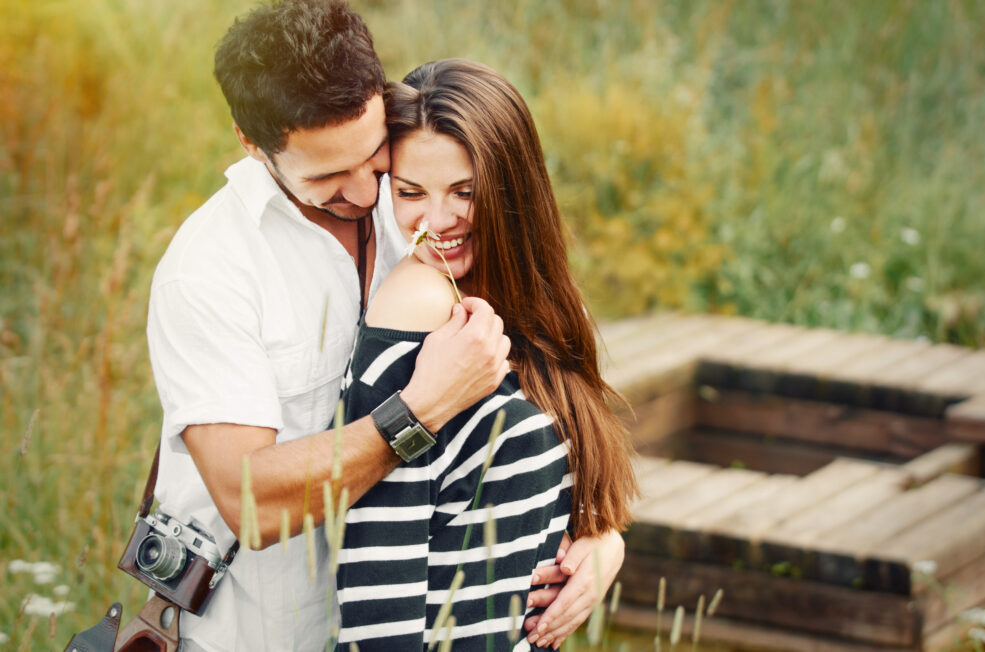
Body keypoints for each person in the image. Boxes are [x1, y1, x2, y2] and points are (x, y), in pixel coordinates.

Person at [145, 1, 625, 651]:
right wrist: (419, 409)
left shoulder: (421, 193)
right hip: (264, 633)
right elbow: (248, 501)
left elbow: (542, 396)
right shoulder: (211, 269)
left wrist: (600, 537)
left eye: (372, 161)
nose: (367, 195)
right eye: (327, 177)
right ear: (251, 143)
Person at [336, 59, 639, 650]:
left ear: (512, 190)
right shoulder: (420, 307)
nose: (436, 222)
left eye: (464, 192)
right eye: (410, 193)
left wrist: (605, 541)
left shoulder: (527, 300)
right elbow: (377, 565)